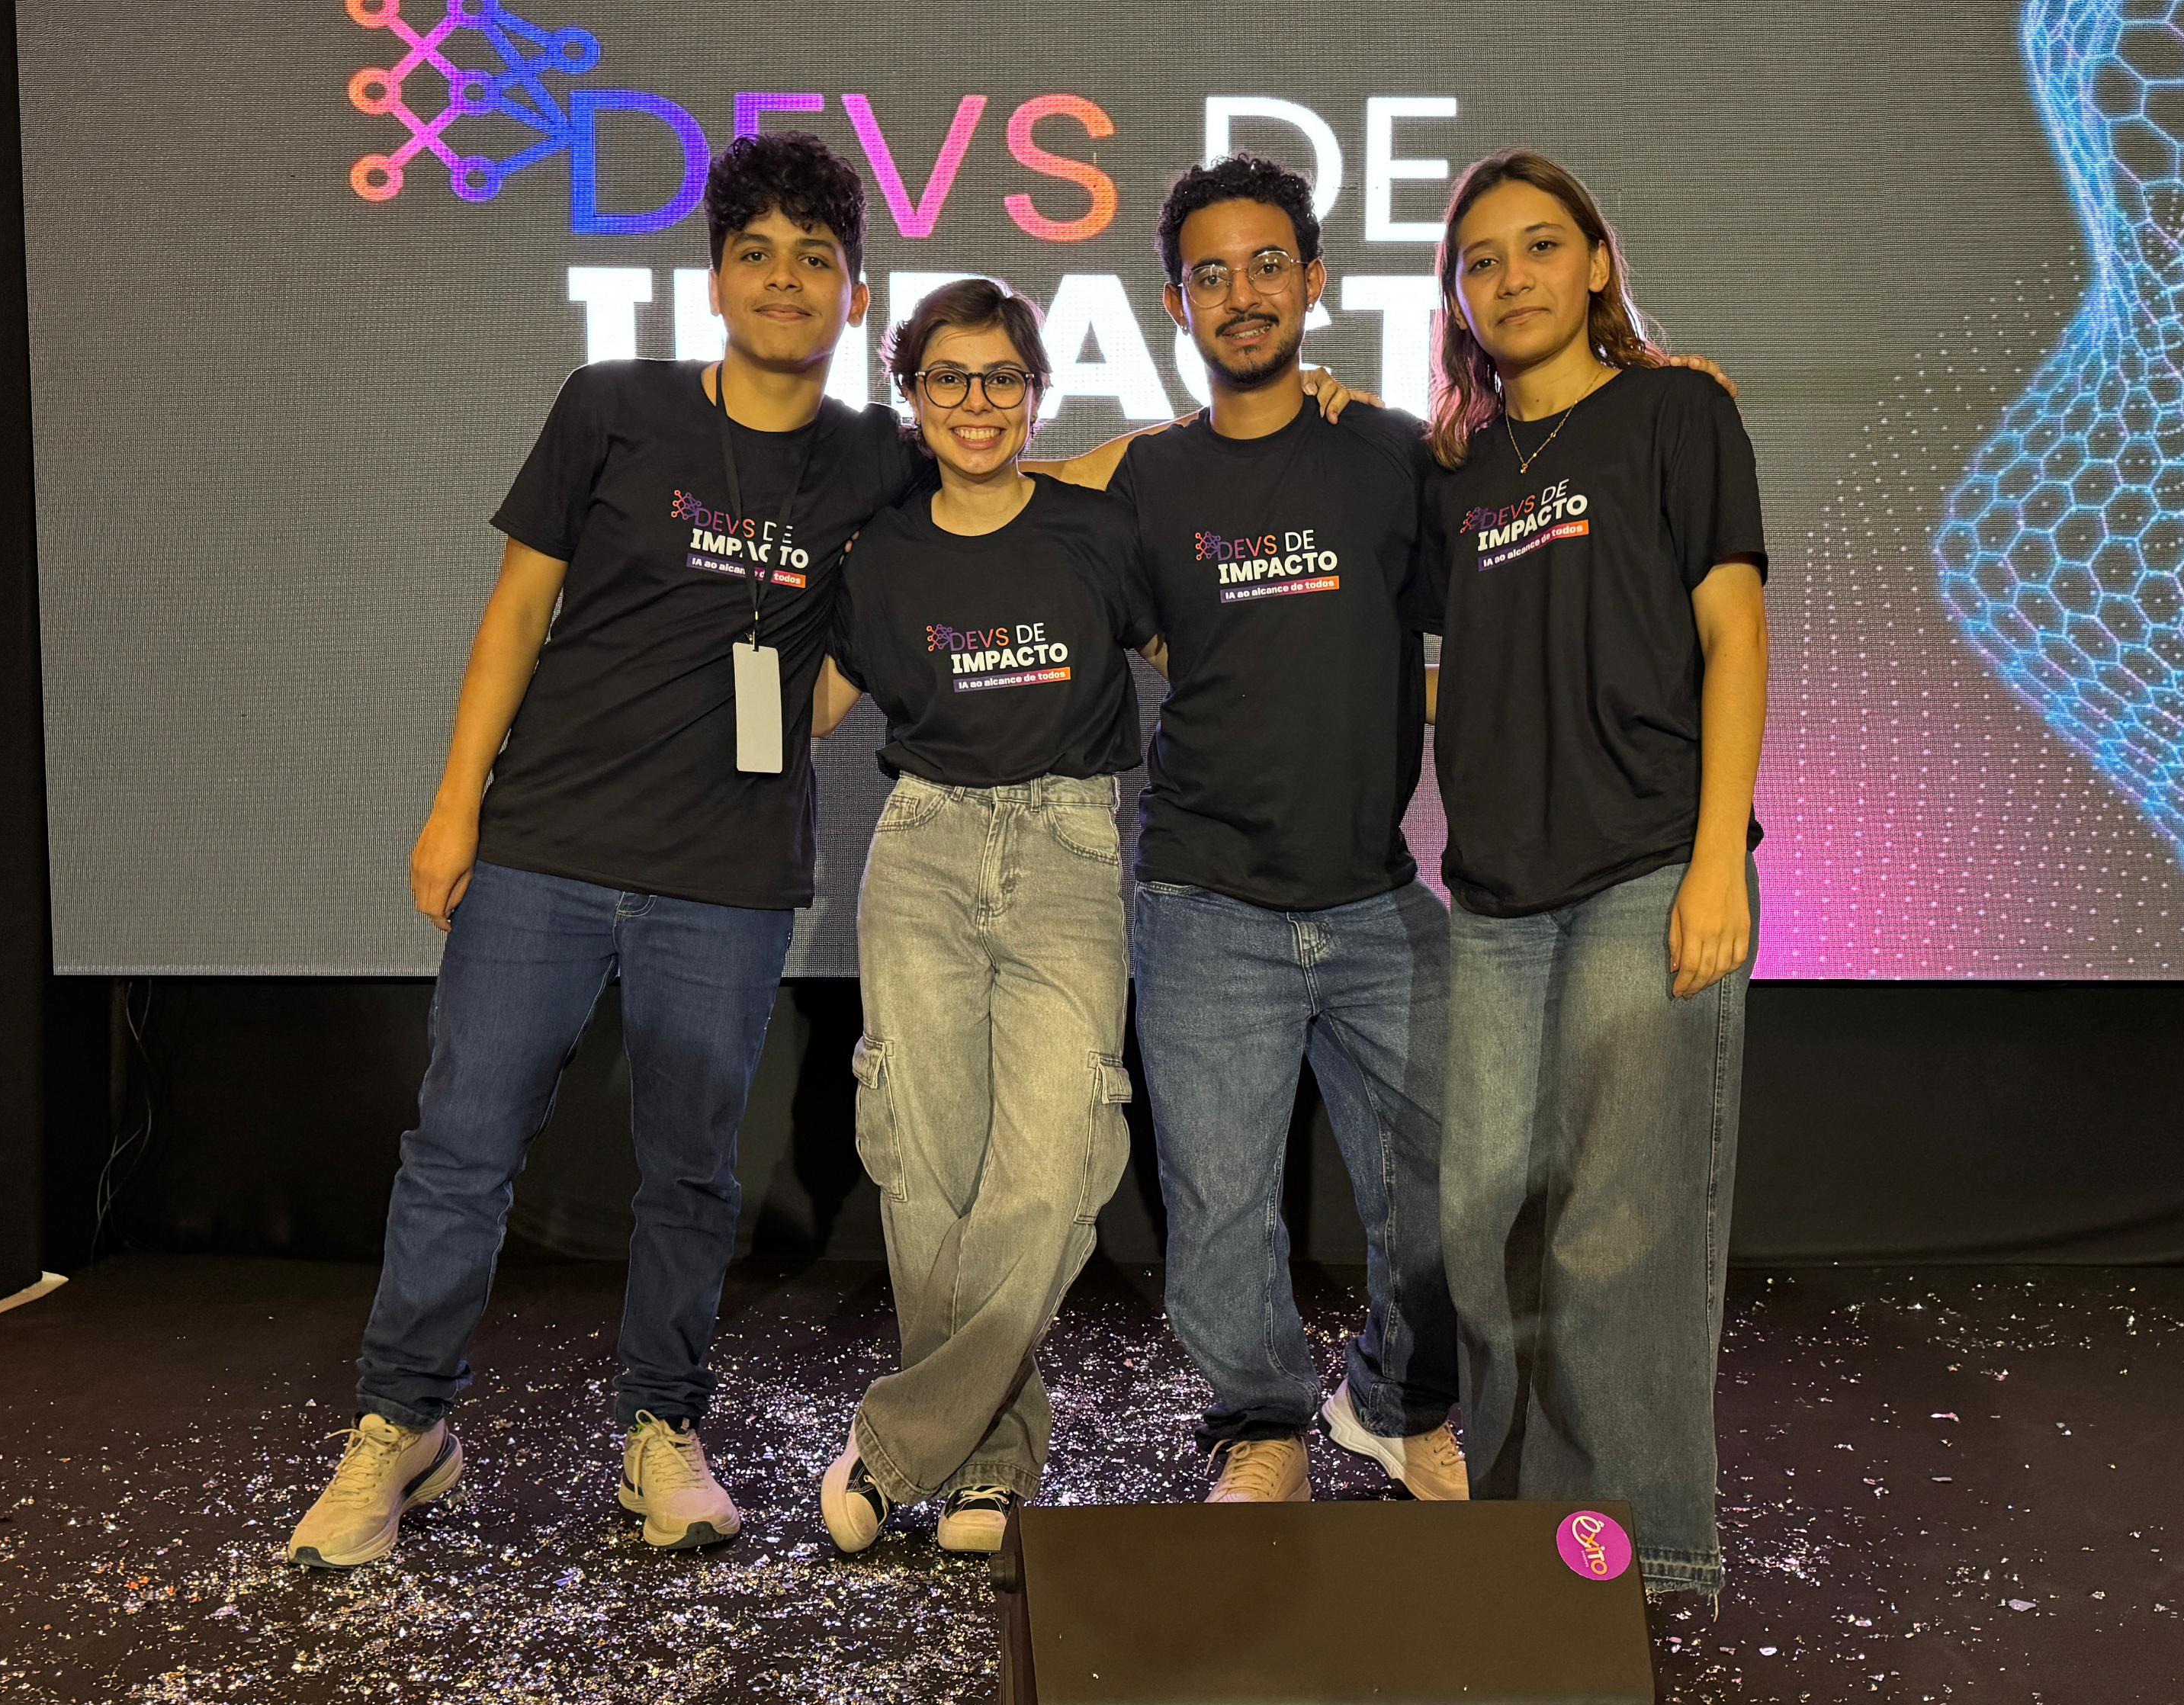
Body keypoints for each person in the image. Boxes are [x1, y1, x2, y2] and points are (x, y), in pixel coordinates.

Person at [286, 131, 913, 1568]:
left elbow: (1020, 487)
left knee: (690, 1175)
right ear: (716, 281)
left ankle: (661, 1432)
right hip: (545, 849)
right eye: (756, 254)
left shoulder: (875, 457)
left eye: (816, 259)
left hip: (726, 875)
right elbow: (518, 613)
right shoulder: (614, 406)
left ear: (855, 295)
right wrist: (456, 807)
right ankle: (401, 1426)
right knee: (462, 1151)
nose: (785, 281)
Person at [1055, 155, 1464, 1506]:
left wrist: (1656, 380)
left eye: (1268, 265)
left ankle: (1393, 1405)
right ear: (1176, 303)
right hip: (1203, 900)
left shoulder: (1389, 452)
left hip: (1376, 898)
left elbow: (1536, 472)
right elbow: (996, 503)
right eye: (1211, 275)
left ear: (1316, 282)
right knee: (1222, 1209)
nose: (1243, 294)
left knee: (1445, 1189)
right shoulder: (1146, 479)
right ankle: (1263, 1423)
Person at [1416, 149, 1769, 1622]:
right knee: (1486, 1218)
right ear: (1457, 297)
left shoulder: (1677, 414)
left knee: (1618, 1231)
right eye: (1482, 260)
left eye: (1541, 245)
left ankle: (1632, 1557)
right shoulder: (1454, 474)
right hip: (1498, 894)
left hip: (1647, 871)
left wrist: (1716, 860)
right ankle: (1522, 1534)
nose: (1513, 278)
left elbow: (1736, 636)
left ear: (1599, 263)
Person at [808, 280, 1148, 1556]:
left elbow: (1218, 662)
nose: (976, 402)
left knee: (1052, 1166)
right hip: (923, 853)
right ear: (911, 394)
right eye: (947, 377)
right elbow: (811, 709)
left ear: (1037, 393)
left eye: (1002, 377)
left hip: (1068, 847)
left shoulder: (1097, 531)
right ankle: (993, 1467)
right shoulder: (880, 555)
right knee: (927, 1170)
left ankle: (900, 1446)